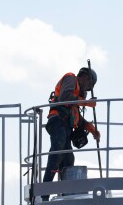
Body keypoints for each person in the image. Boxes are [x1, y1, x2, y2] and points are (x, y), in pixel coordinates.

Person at [42, 67, 100, 196]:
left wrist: (92, 129)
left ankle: (67, 193)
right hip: (57, 122)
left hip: (65, 127)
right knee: (58, 151)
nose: (87, 89)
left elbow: (78, 120)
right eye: (89, 85)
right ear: (84, 77)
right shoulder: (71, 79)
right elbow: (65, 97)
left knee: (68, 158)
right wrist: (86, 103)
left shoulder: (77, 98)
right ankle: (44, 192)